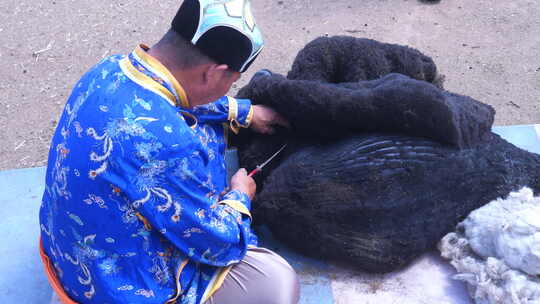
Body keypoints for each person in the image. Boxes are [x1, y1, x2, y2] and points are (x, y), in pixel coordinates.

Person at [38, 0, 299, 303]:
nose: (229, 88)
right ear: (213, 73)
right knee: (275, 281)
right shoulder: (171, 146)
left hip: (66, 253)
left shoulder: (109, 67)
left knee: (205, 128)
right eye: (231, 81)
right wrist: (240, 197)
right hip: (110, 288)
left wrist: (244, 112)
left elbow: (170, 104)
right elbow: (219, 244)